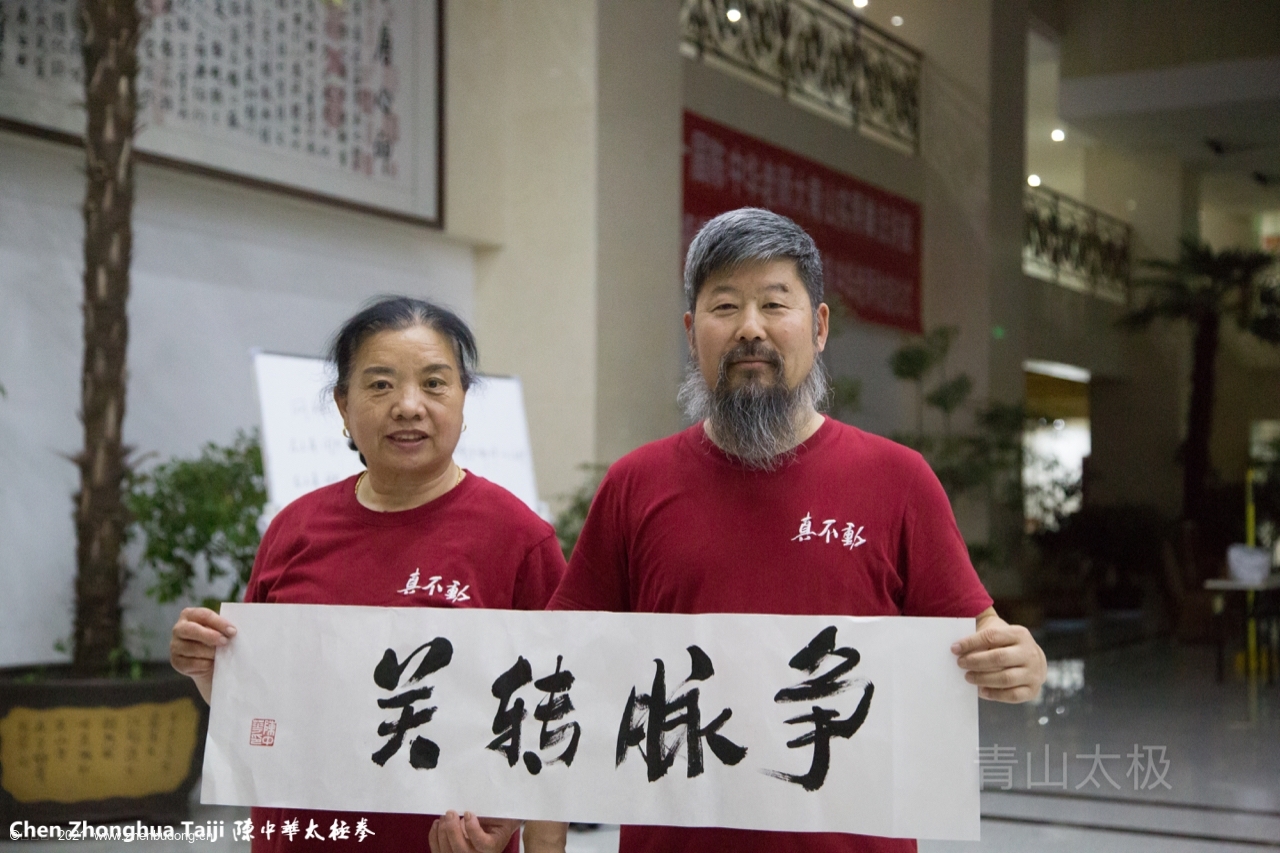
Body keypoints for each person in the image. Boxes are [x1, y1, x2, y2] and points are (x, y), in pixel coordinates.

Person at [549, 208, 1048, 853]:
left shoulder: (898, 480)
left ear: (819, 327)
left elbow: (978, 634)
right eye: (724, 306)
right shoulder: (634, 484)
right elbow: (562, 664)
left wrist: (1019, 662)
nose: (749, 328)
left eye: (774, 304)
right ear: (691, 332)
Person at [170, 297, 568, 853]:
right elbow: (264, 713)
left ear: (463, 398)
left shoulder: (519, 539)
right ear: (343, 404)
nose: (408, 406)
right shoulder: (294, 529)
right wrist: (211, 674)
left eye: (434, 384)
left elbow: (555, 723)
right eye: (381, 385)